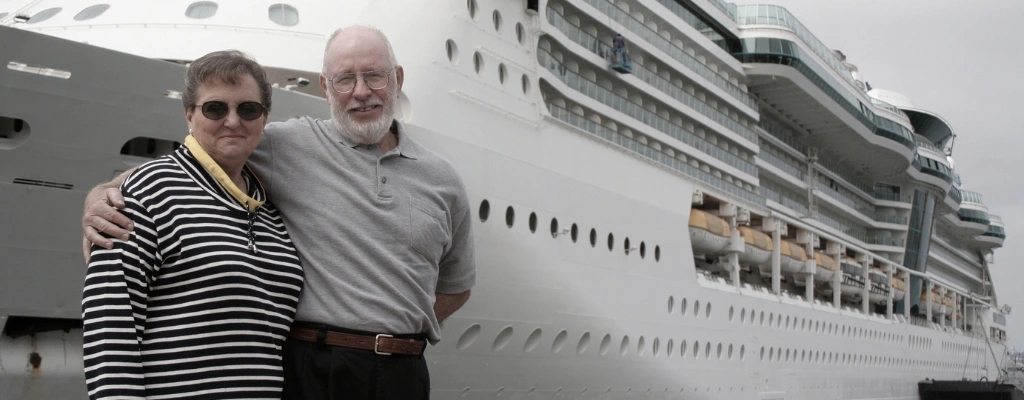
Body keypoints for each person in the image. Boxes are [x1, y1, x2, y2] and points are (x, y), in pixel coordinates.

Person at [82, 26, 476, 399]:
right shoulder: (290, 143)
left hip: (402, 371)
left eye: (374, 76)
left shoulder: (443, 178)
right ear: (325, 87)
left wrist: (396, 328)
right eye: (344, 79)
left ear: (398, 78)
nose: (361, 92)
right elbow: (206, 155)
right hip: (313, 366)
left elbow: (457, 285)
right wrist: (104, 191)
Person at [81, 50, 304, 399]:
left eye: (248, 109)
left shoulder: (270, 210)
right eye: (215, 108)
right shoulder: (146, 193)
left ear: (264, 118)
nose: (233, 121)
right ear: (188, 114)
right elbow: (110, 329)